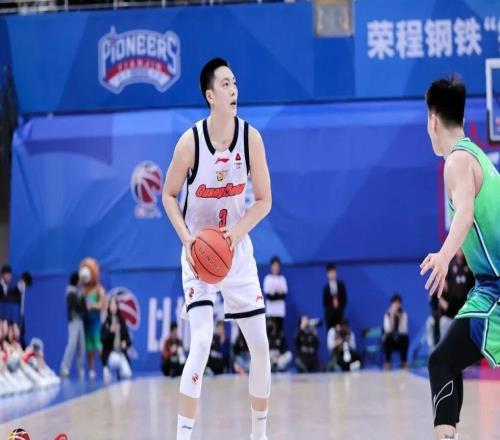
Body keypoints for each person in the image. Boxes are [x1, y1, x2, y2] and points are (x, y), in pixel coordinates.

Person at [162, 57, 272, 440]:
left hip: (235, 251)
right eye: (225, 84)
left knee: (261, 347)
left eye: (235, 83)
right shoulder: (190, 143)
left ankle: (259, 435)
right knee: (201, 342)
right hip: (199, 253)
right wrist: (187, 239)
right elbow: (168, 194)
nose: (234, 90)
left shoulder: (251, 139)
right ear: (210, 96)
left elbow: (265, 201)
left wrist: (235, 234)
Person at [420, 75, 500, 440]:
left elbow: (465, 212)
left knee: (441, 361)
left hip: (495, 290)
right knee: (446, 361)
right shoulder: (479, 156)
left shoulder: (456, 162)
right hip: (488, 288)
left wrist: (443, 255)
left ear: (433, 120)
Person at [80, 258, 106, 380]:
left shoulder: (99, 289)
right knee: (89, 346)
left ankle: (105, 366)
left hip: (95, 321)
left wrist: (93, 305)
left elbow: (102, 304)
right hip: (86, 322)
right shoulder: (83, 290)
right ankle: (91, 369)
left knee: (98, 344)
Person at [60, 271, 87, 379]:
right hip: (73, 321)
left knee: (82, 346)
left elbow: (83, 307)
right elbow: (76, 305)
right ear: (76, 280)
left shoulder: (79, 291)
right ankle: (64, 368)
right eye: (79, 280)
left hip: (80, 321)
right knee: (72, 344)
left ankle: (80, 369)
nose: (80, 282)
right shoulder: (70, 292)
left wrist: (82, 298)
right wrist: (81, 298)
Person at [101, 296, 132, 382]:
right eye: (111, 304)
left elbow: (128, 339)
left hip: (121, 353)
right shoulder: (106, 322)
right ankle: (107, 369)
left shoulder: (122, 321)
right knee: (116, 359)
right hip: (110, 353)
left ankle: (119, 373)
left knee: (127, 374)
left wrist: (125, 343)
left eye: (115, 304)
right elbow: (102, 340)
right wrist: (110, 332)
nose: (113, 306)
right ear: (109, 306)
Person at [382, 294, 409, 369]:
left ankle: (404, 361)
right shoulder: (387, 314)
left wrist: (400, 319)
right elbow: (387, 330)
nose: (396, 305)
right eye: (395, 303)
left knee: (405, 338)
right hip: (391, 339)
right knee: (387, 338)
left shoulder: (403, 314)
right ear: (392, 304)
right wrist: (392, 317)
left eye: (398, 303)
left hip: (400, 339)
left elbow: (404, 330)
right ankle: (388, 362)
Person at [263, 256, 287, 332]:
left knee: (279, 334)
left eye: (277, 266)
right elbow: (269, 296)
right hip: (270, 312)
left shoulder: (282, 279)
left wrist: (274, 294)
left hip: (280, 312)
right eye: (274, 265)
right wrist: (278, 293)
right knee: (270, 334)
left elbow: (283, 295)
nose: (276, 268)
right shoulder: (267, 278)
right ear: (271, 266)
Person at [322, 263, 347, 331]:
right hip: (329, 318)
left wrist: (338, 309)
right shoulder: (325, 288)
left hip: (340, 316)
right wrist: (331, 312)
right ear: (327, 274)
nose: (332, 274)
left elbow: (344, 300)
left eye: (333, 272)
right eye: (330, 273)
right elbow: (325, 303)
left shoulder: (341, 285)